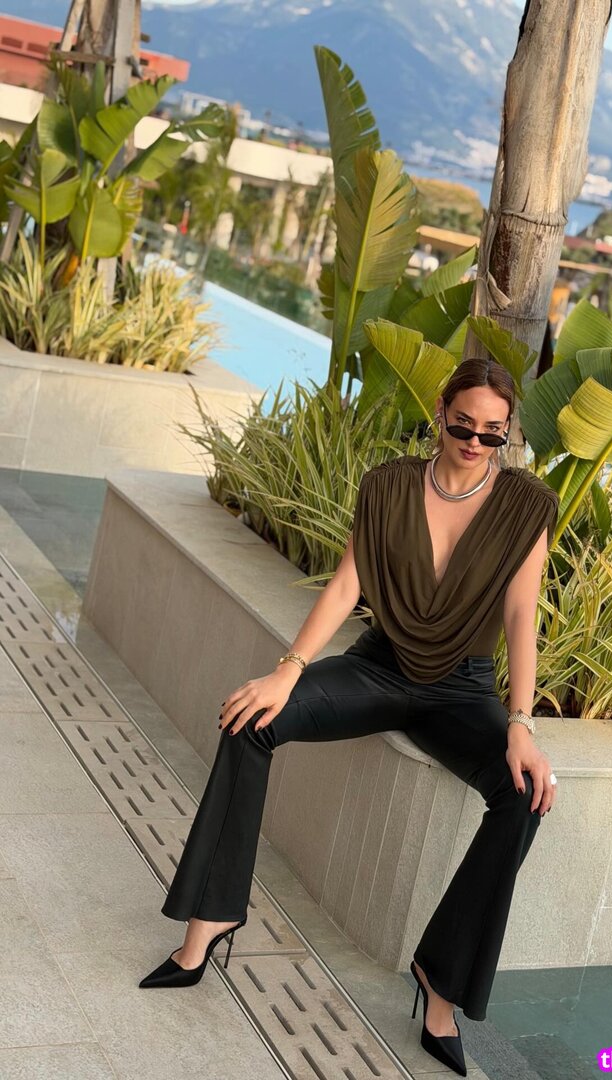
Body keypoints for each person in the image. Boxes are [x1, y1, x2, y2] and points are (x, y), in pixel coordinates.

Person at [138, 358, 560, 1077]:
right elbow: (345, 586)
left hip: (463, 688)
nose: (475, 442)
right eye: (464, 425)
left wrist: (520, 723)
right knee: (249, 721)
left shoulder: (525, 505)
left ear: (507, 432)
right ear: (440, 411)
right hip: (378, 668)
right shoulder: (388, 485)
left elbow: (522, 615)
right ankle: (212, 918)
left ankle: (440, 983)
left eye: (493, 433)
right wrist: (288, 670)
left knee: (524, 795)